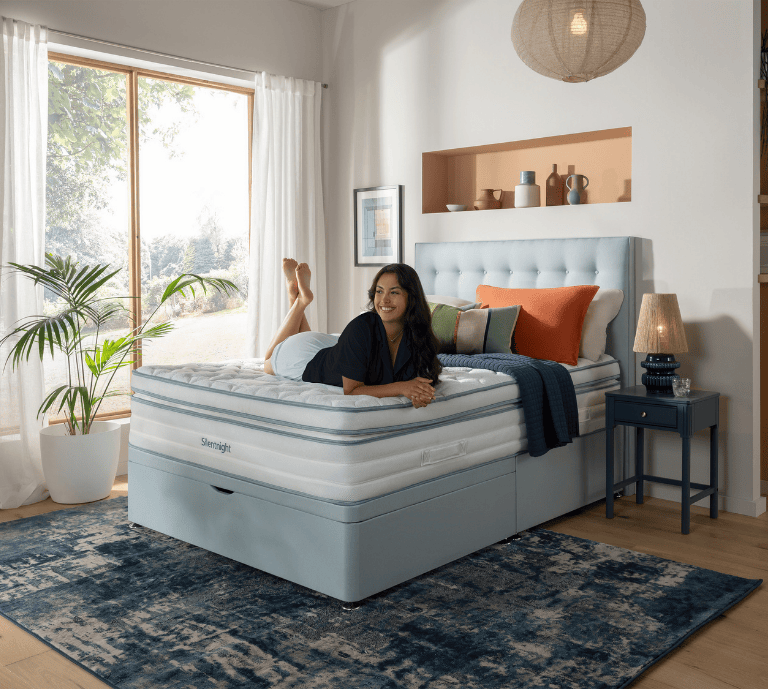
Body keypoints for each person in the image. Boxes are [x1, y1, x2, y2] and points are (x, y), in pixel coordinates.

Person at [263, 259, 441, 408]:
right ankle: (300, 300)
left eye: (394, 292)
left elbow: (423, 377)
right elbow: (352, 390)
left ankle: (296, 296)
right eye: (379, 291)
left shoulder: (416, 333)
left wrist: (420, 394)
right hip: (304, 358)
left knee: (315, 345)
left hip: (331, 345)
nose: (384, 299)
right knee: (267, 362)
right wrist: (403, 388)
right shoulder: (362, 326)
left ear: (412, 298)